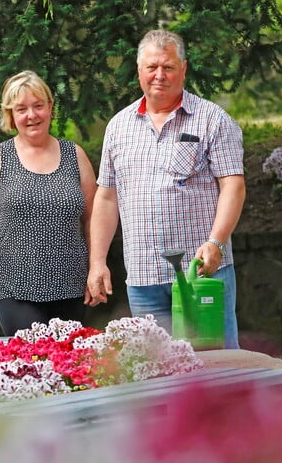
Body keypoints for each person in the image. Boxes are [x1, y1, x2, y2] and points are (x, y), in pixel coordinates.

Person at [87, 29, 246, 349]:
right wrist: (97, 262)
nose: (159, 75)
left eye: (168, 67)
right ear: (139, 71)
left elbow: (234, 185)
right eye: (151, 67)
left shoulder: (213, 120)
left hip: (200, 274)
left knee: (218, 367)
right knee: (157, 375)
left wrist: (216, 242)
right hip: (144, 280)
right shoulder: (118, 126)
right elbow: (106, 198)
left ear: (183, 69)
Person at [0, 70, 97, 336]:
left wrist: (96, 267)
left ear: (50, 108)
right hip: (14, 286)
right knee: (30, 363)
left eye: (38, 106)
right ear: (10, 115)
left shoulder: (75, 155)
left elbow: (93, 217)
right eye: (21, 109)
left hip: (72, 284)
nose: (31, 115)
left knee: (70, 367)